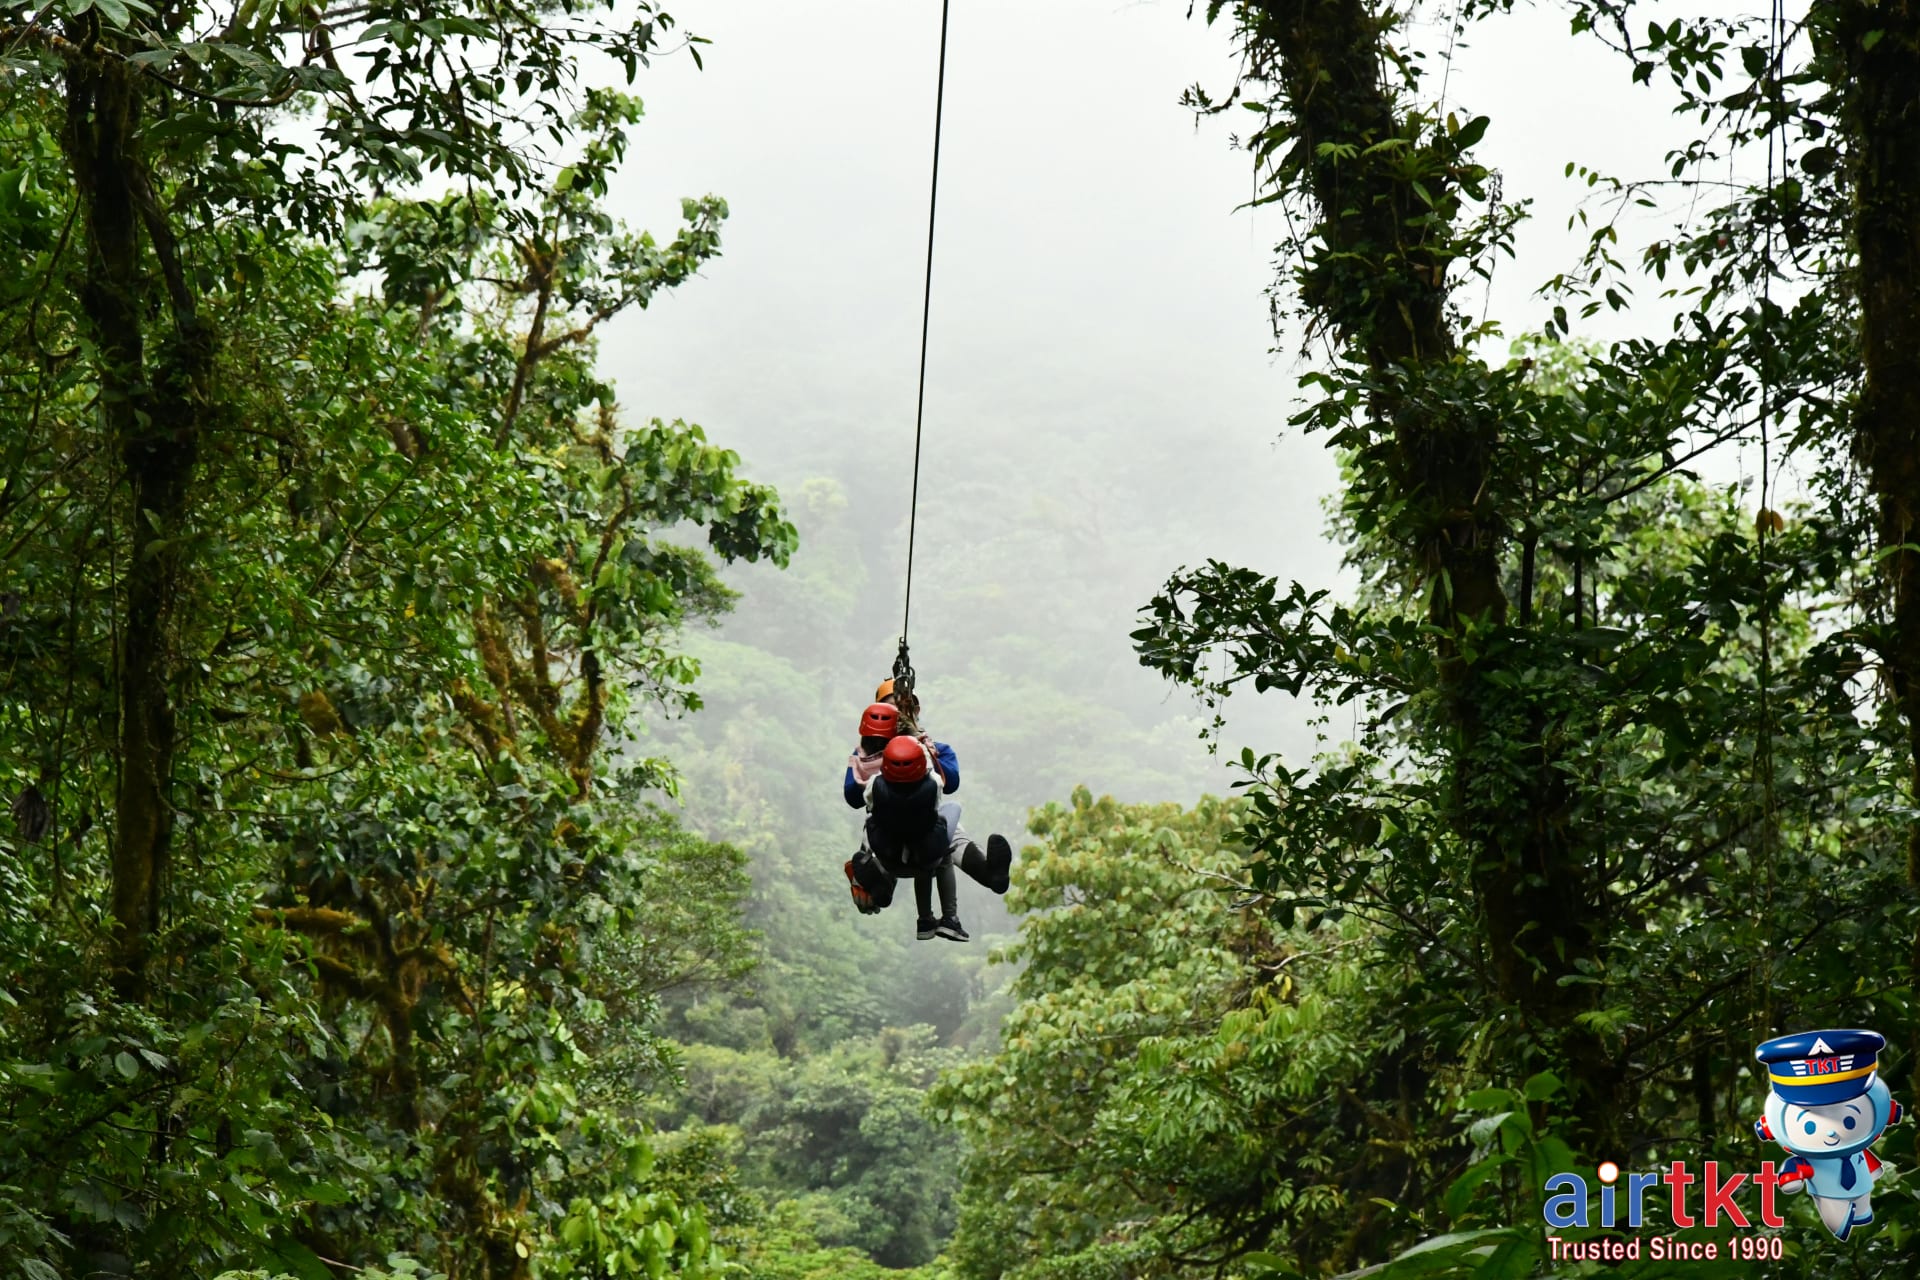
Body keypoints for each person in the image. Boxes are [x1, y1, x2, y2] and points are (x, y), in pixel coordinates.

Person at [843, 698, 1010, 941]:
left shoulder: (876, 763)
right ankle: (890, 890)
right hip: (922, 843)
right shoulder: (917, 758)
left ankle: (882, 885)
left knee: (886, 833)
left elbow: (855, 795)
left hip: (891, 845)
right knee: (947, 828)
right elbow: (945, 784)